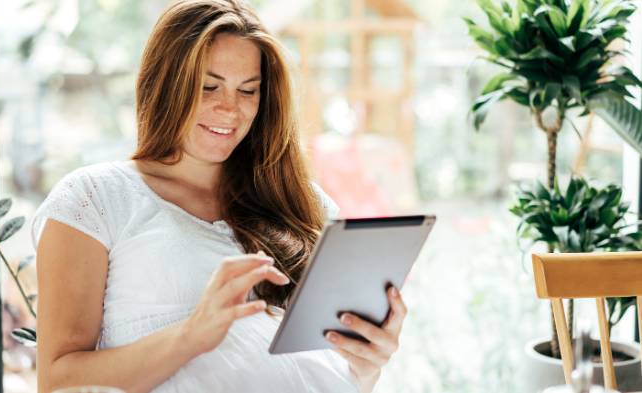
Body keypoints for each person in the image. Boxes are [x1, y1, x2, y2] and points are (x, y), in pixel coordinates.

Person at [32, 1, 407, 392]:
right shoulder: (96, 198)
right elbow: (58, 380)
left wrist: (367, 364)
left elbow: (328, 370)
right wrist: (192, 335)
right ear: (164, 84)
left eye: (248, 90)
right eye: (208, 86)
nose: (229, 108)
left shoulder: (303, 203)